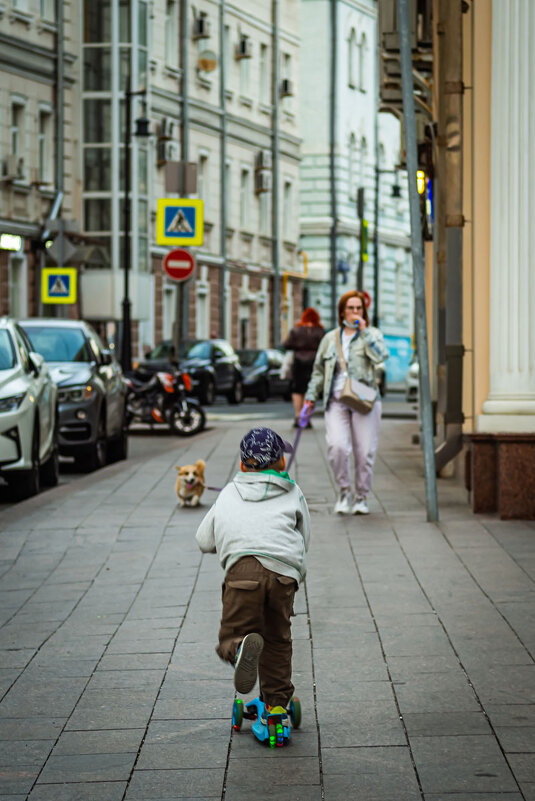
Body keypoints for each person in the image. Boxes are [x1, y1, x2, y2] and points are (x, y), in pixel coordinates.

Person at [195, 426, 311, 722]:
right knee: (277, 640)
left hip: (242, 572)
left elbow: (204, 540)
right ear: (282, 463)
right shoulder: (294, 492)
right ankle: (276, 704)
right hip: (284, 575)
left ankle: (238, 649)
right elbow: (304, 536)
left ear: (242, 465)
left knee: (234, 630)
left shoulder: (229, 493)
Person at [303, 290, 389, 516]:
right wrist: (311, 396)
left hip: (365, 400)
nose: (355, 312)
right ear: (342, 311)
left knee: (365, 452)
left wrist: (365, 333)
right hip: (336, 400)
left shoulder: (372, 335)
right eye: (350, 308)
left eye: (359, 308)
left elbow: (381, 357)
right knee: (337, 446)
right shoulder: (330, 339)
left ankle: (361, 496)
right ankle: (343, 492)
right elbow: (319, 371)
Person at [282, 308, 325, 427]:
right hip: (314, 363)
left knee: (297, 390)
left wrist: (298, 347)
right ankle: (306, 418)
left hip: (298, 363)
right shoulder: (320, 330)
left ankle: (297, 415)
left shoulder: (296, 330)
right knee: (310, 390)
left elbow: (286, 344)